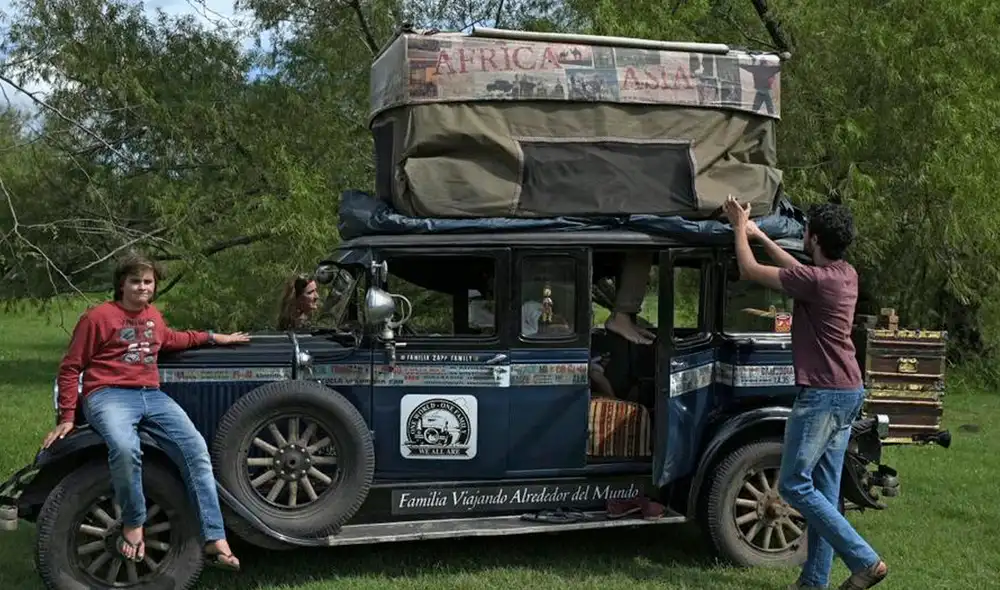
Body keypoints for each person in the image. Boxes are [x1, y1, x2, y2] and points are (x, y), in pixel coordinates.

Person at [41, 253, 251, 571]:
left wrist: (213, 337)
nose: (143, 287)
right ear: (121, 285)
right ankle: (133, 522)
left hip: (151, 396)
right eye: (135, 281)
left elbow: (171, 339)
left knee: (196, 449)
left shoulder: (153, 316)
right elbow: (70, 368)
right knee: (126, 448)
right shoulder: (98, 317)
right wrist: (67, 417)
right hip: (107, 395)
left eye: (148, 282)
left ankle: (214, 538)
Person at [722, 195, 888, 590]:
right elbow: (796, 270)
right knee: (825, 493)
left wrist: (738, 228)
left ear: (812, 238)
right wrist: (759, 234)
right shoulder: (845, 275)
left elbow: (748, 270)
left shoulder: (817, 282)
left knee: (794, 484)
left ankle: (865, 560)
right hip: (848, 391)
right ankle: (814, 582)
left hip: (823, 396)